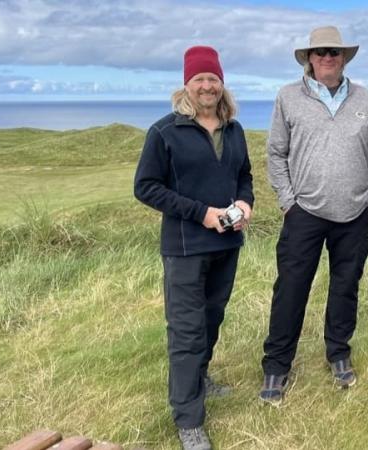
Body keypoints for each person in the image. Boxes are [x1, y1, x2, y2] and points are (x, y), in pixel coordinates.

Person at [260, 25, 368, 405]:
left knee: (345, 287)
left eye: (334, 52)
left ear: (344, 57)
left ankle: (338, 353)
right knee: (291, 288)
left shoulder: (363, 98)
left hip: (354, 214)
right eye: (320, 52)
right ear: (309, 59)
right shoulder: (288, 97)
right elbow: (275, 154)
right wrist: (288, 202)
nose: (328, 57)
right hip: (304, 214)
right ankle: (276, 365)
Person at [134, 45, 253, 450]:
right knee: (186, 331)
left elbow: (245, 176)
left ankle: (199, 380)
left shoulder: (233, 130)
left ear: (222, 85)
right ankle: (189, 420)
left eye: (214, 79)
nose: (207, 86)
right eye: (200, 79)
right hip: (185, 248)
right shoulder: (164, 132)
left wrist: (245, 202)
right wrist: (200, 213)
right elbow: (146, 188)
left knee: (211, 321)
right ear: (187, 84)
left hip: (227, 244)